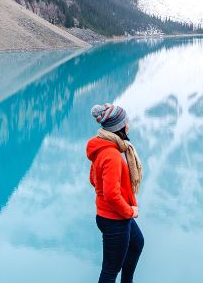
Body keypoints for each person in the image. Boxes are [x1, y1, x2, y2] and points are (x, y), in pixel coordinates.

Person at [87, 103, 144, 283]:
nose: (129, 124)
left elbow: (94, 179)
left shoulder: (102, 147)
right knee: (110, 270)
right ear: (119, 126)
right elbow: (111, 195)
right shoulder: (111, 154)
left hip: (111, 215)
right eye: (126, 121)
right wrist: (129, 211)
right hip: (115, 219)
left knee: (136, 243)